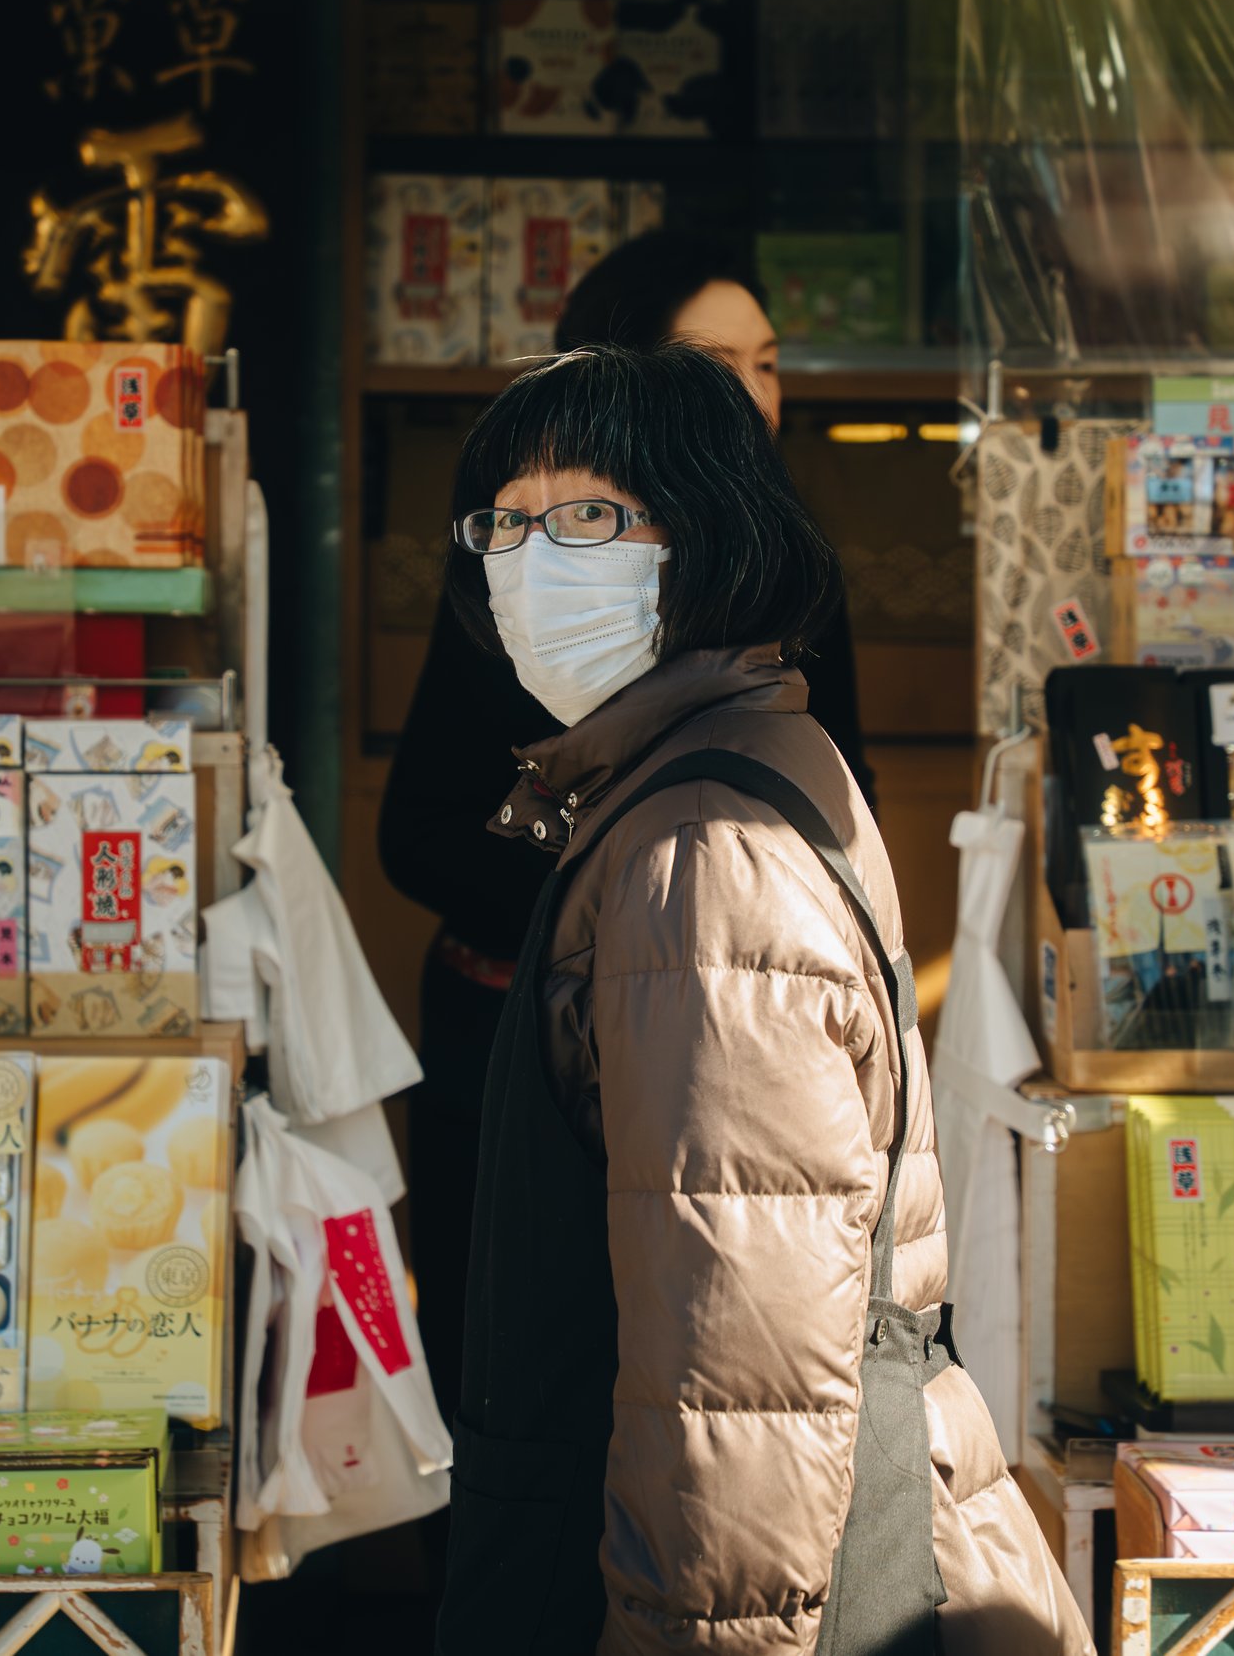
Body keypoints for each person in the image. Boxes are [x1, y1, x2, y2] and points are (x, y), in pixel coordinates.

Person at [434, 342, 1088, 1655]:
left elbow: (737, 1385)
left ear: (710, 538)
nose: (531, 557)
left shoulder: (700, 850)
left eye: (590, 516)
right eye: (505, 522)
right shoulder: (692, 777)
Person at [379, 230, 870, 1426]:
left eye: (765, 362)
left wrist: (632, 901)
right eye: (714, 360)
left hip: (687, 1082)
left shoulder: (737, 821)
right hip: (499, 1036)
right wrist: (590, 905)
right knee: (500, 1385)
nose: (749, 393)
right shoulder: (532, 581)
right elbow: (421, 827)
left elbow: (743, 1369)